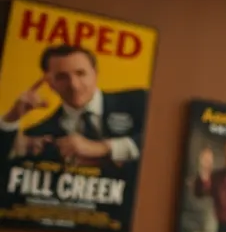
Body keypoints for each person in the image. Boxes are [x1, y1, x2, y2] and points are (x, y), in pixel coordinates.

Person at [0, 44, 147, 169]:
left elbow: (159, 140)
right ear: (50, 83)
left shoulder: (139, 100)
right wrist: (12, 117)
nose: (74, 86)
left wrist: (102, 148)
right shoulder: (38, 134)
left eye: (81, 73)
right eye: (62, 77)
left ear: (95, 73)